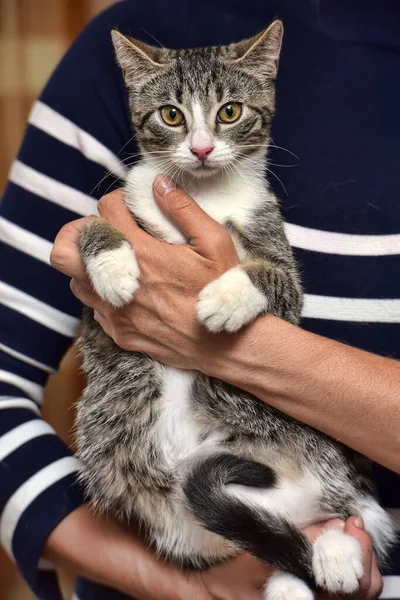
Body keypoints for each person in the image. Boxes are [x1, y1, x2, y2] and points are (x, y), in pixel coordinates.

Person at [0, 1, 398, 599]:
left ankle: (303, 549)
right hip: (165, 515)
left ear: (264, 84)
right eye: (172, 119)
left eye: (229, 113)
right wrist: (189, 590)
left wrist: (220, 344)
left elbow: (274, 288)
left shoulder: (252, 196)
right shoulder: (127, 50)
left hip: (299, 497)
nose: (204, 145)